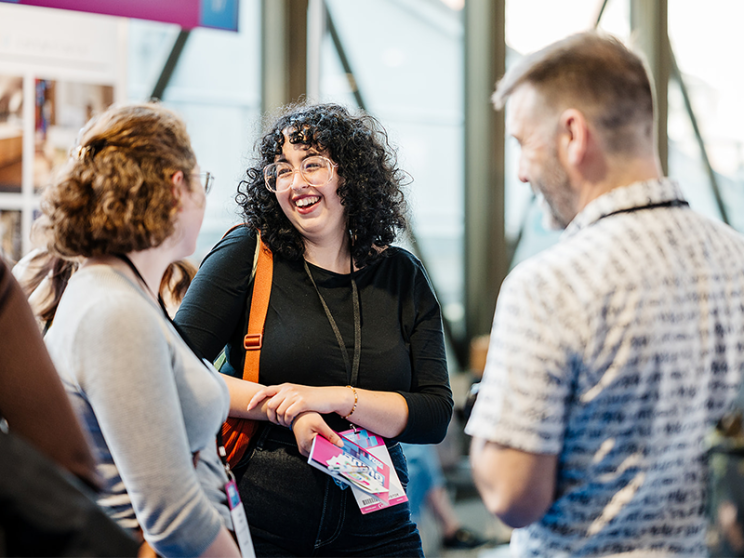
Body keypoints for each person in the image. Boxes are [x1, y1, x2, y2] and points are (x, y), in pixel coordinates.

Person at [465, 31, 744, 557]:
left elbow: (512, 494)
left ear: (574, 133)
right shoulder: (738, 260)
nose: (521, 172)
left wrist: (491, 421)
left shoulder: (549, 284)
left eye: (524, 143)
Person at [175, 103, 454, 557]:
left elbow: (434, 413)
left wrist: (337, 398)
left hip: (380, 523)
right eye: (282, 169)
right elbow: (175, 368)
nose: (296, 182)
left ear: (353, 176)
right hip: (267, 517)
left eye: (313, 164)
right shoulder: (248, 253)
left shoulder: (402, 275)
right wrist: (290, 410)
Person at [38, 103, 241, 558]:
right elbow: (172, 520)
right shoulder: (115, 311)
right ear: (176, 187)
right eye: (201, 182)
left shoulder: (121, 292)